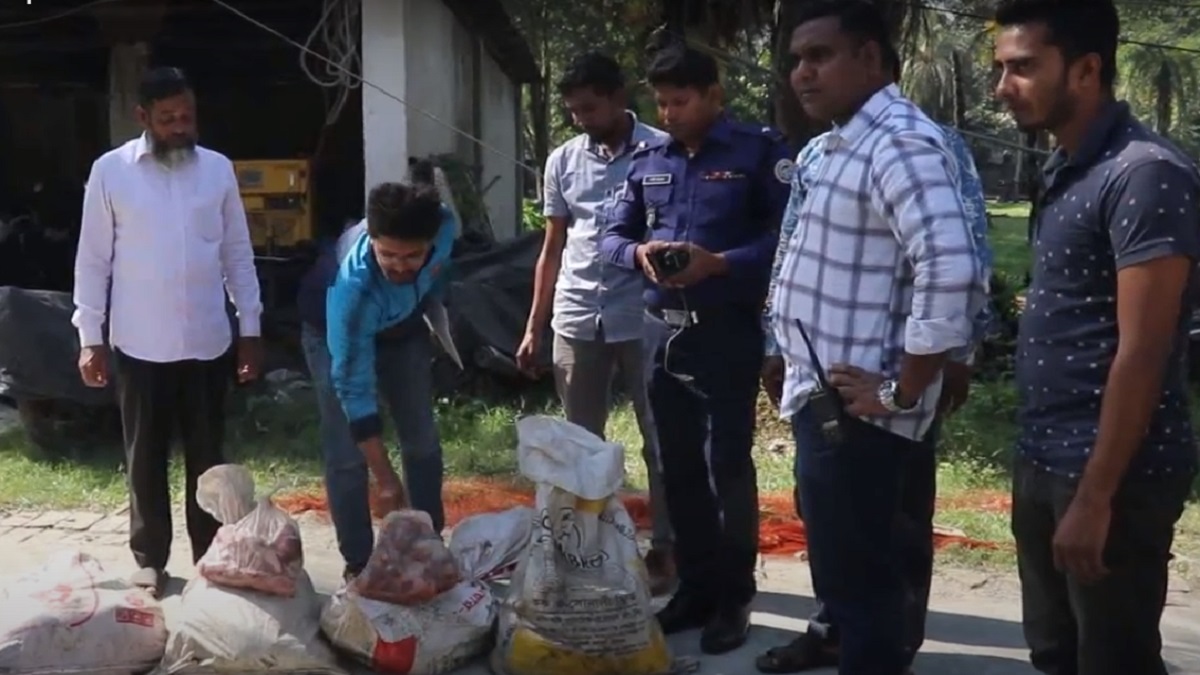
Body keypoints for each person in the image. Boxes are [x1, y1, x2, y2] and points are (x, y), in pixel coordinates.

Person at [765, 2, 984, 673]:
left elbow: (952, 264)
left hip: (864, 414)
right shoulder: (834, 145)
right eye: (796, 60)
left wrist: (905, 384)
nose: (803, 74)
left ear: (869, 58)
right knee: (849, 575)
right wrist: (780, 347)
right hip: (826, 397)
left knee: (867, 589)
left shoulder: (898, 144)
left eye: (820, 56)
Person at [992, 2, 1199, 674]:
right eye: (1001, 67)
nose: (1003, 86)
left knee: (1115, 660)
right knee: (1056, 652)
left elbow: (1143, 350)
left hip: (1114, 474)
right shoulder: (1067, 165)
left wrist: (1096, 496)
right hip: (1044, 454)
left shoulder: (1143, 173)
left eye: (1022, 67)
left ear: (1086, 69)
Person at [601, 45, 791, 655]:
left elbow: (786, 237)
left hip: (724, 331)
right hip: (660, 333)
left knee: (725, 467)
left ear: (714, 94)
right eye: (661, 101)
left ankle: (734, 597)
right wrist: (638, 255)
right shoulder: (648, 158)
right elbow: (612, 234)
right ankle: (695, 587)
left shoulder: (758, 151)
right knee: (675, 466)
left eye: (681, 100)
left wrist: (720, 265)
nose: (670, 112)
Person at [72, 66, 263, 598]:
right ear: (143, 118)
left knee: (209, 459)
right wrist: (90, 335)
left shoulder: (218, 171)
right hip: (138, 343)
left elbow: (237, 256)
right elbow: (92, 261)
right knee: (145, 457)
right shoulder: (111, 172)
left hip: (207, 341)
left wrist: (250, 329)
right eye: (168, 119)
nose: (181, 127)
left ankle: (211, 558)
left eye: (187, 116)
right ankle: (149, 559)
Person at [515, 52, 676, 593]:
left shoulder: (661, 149)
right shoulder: (562, 160)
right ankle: (586, 548)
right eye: (573, 110)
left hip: (645, 315)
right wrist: (535, 326)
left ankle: (666, 551)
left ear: (618, 97)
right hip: (578, 312)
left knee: (661, 439)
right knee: (580, 446)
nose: (581, 118)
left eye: (590, 107)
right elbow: (552, 247)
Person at [296, 181, 455, 580]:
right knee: (348, 456)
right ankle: (359, 563)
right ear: (372, 240)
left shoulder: (446, 228)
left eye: (412, 256)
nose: (399, 266)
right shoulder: (350, 290)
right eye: (388, 255)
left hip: (402, 328)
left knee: (422, 441)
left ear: (430, 242)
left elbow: (438, 268)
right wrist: (385, 480)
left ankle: (427, 546)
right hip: (333, 331)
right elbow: (354, 390)